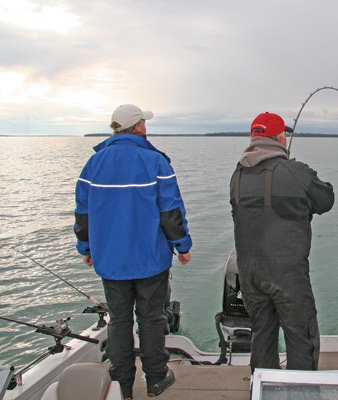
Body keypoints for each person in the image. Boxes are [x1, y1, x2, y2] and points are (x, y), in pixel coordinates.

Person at [73, 104, 192, 399]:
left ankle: (123, 386)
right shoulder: (156, 161)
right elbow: (170, 210)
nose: (145, 126)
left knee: (119, 319)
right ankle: (155, 379)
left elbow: (83, 213)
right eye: (143, 121)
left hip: (111, 262)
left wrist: (86, 248)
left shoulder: (94, 164)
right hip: (150, 260)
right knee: (151, 319)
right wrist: (182, 246)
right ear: (137, 126)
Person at [230, 112, 334, 372]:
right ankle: (301, 392)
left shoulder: (237, 175)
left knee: (262, 334)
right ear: (279, 138)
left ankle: (262, 386)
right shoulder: (295, 171)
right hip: (286, 275)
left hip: (249, 274)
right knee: (301, 337)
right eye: (284, 135)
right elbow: (326, 200)